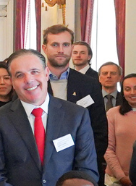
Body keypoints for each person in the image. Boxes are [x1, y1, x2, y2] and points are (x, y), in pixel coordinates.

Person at [0, 48, 98, 186]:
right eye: (20, 75)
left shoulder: (76, 116)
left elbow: (87, 172)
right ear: (12, 81)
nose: (29, 79)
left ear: (46, 74)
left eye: (34, 71)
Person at [41, 26, 107, 161]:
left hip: (79, 162)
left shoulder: (90, 84)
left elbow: (99, 130)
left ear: (71, 48)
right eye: (55, 45)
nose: (61, 50)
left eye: (65, 45)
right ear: (44, 48)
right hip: (40, 161)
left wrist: (86, 162)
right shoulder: (33, 82)